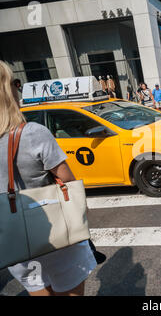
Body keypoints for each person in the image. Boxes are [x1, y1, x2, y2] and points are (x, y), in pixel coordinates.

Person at [0, 61, 96, 296]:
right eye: (15, 82)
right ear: (7, 90)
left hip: (13, 240)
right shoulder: (32, 133)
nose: (18, 88)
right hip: (55, 236)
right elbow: (68, 181)